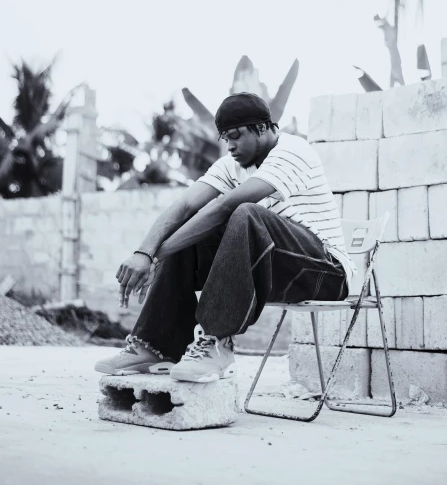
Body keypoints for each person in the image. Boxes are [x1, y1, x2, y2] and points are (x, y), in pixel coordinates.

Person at [95, 92, 355, 382]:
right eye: (225, 138)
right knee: (191, 232)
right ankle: (156, 346)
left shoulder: (293, 150)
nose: (230, 146)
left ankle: (217, 342)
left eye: (236, 136)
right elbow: (183, 207)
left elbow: (226, 207)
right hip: (276, 267)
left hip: (325, 272)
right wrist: (144, 254)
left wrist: (156, 257)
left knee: (245, 213)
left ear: (263, 128)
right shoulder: (232, 165)